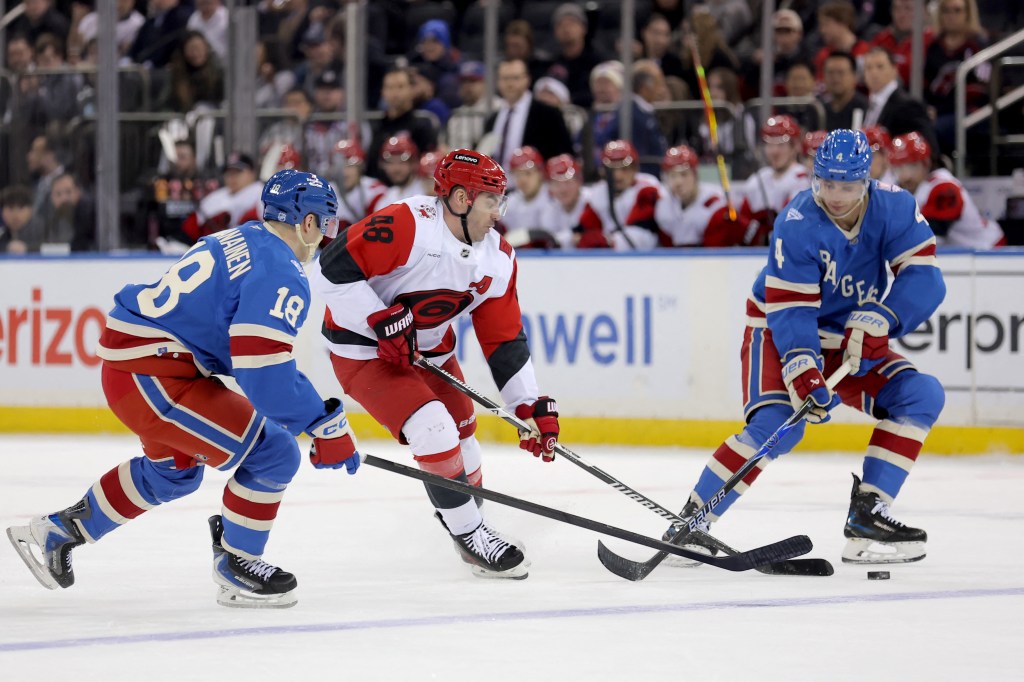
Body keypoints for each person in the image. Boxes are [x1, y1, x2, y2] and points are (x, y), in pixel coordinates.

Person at [7, 170, 361, 609]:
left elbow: (237, 348)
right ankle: (238, 562)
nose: (324, 238)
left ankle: (58, 532)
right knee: (275, 452)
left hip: (138, 368)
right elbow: (263, 372)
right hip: (156, 376)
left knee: (174, 473)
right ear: (306, 222)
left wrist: (314, 417)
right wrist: (324, 424)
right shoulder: (281, 271)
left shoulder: (243, 236)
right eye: (325, 226)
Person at [665, 129, 946, 567]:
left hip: (847, 334)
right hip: (778, 328)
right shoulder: (797, 222)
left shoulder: (895, 207)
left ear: (867, 179)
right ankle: (691, 523)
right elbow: (791, 308)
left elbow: (924, 276)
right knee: (779, 424)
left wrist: (886, 316)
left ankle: (867, 516)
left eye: (847, 185)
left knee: (921, 395)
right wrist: (802, 370)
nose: (835, 196)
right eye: (826, 183)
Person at [309, 149, 560, 580]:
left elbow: (503, 338)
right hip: (364, 351)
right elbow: (330, 271)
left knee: (463, 429)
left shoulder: (498, 258)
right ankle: (472, 534)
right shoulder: (407, 225)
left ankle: (467, 526)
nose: (498, 214)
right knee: (433, 427)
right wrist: (378, 318)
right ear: (460, 199)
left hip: (430, 351)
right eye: (490, 201)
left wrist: (526, 405)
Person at [889, 132, 1006, 248]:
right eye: (899, 168)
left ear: (926, 163)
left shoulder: (944, 188)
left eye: (911, 166)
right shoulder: (906, 188)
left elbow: (930, 234)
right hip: (962, 253)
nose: (905, 175)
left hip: (988, 248)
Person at [574, 139, 666, 251]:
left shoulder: (647, 189)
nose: (618, 175)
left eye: (624, 168)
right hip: (610, 259)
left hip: (648, 259)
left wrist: (608, 241)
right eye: (612, 169)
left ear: (635, 169)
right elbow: (582, 231)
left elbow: (643, 233)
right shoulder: (598, 193)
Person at [654, 144, 748, 246]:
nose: (678, 182)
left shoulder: (715, 203)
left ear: (695, 175)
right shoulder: (664, 205)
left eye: (684, 174)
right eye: (672, 176)